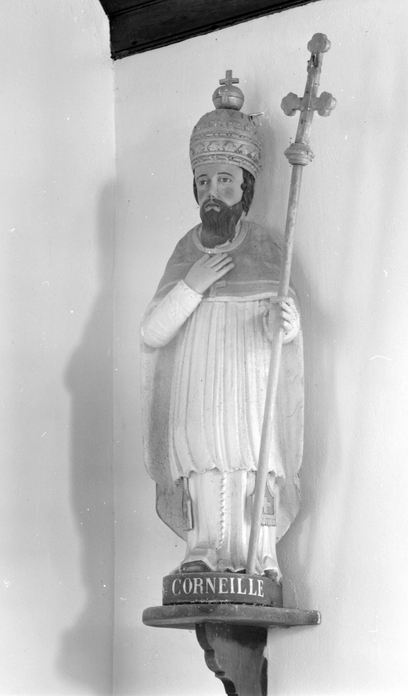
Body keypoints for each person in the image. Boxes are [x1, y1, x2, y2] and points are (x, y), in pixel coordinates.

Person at [140, 73, 304, 581]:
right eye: (205, 182)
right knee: (202, 456)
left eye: (226, 181)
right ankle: (202, 547)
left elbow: (287, 328)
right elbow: (151, 333)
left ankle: (260, 557)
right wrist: (191, 284)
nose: (214, 192)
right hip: (197, 379)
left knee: (252, 458)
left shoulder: (269, 247)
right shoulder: (186, 251)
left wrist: (290, 326)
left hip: (251, 377)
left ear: (245, 189)